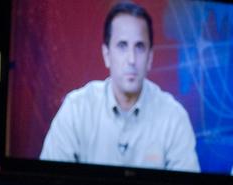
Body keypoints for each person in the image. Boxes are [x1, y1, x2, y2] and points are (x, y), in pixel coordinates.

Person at [39, 2, 199, 172]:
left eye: (139, 47)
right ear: (106, 55)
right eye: (122, 46)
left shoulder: (174, 117)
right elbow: (47, 182)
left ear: (150, 58)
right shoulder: (77, 108)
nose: (131, 59)